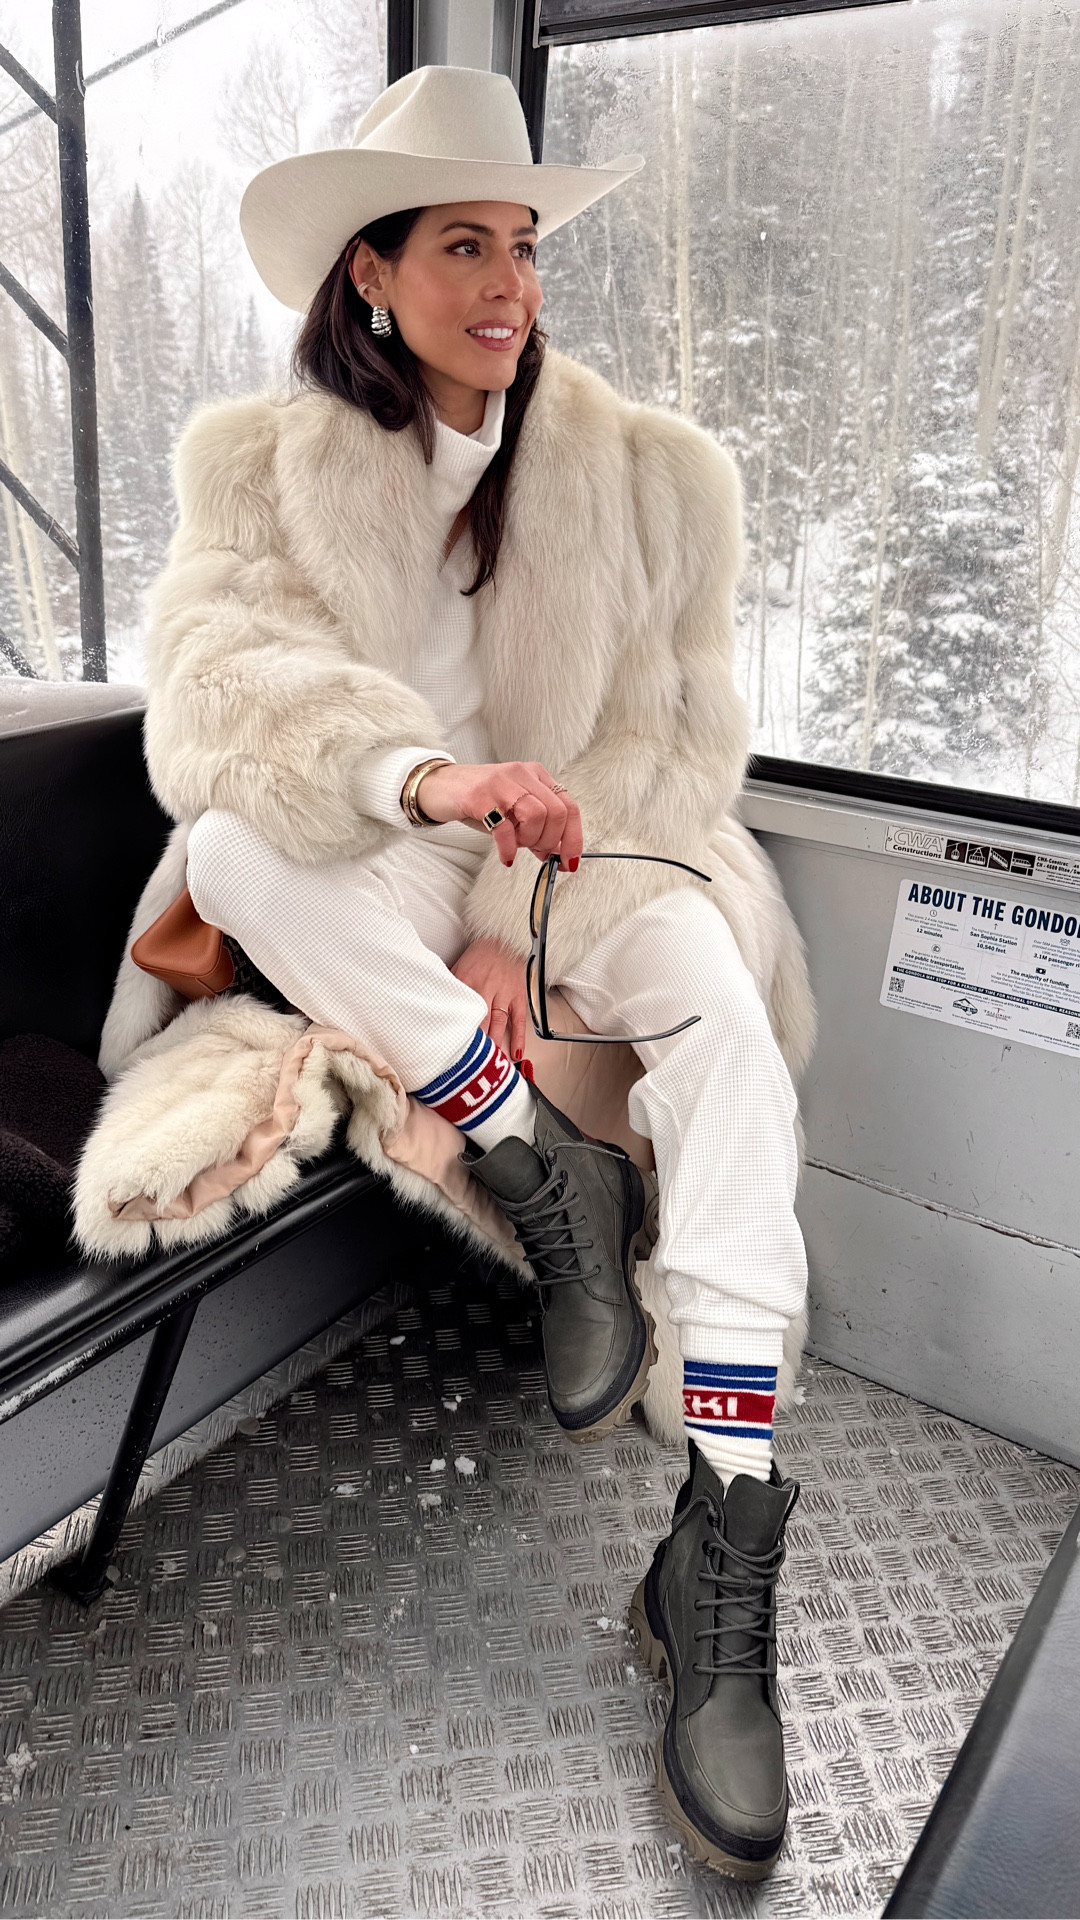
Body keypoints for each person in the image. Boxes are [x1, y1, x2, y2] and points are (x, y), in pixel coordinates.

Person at [144, 64, 812, 1879]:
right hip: (393, 825)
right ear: (369, 273)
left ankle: (725, 1536)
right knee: (228, 844)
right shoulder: (258, 473)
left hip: (593, 849)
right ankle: (537, 1157)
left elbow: (676, 752)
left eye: (521, 246)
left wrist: (523, 925)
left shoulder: (653, 478)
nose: (509, 285)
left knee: (731, 1037)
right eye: (463, 247)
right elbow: (216, 701)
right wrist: (431, 797)